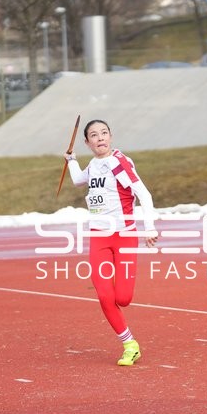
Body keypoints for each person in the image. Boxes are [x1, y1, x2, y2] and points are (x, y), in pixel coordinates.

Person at [64, 119, 158, 366]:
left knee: (123, 298)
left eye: (104, 133)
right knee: (105, 296)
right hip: (98, 238)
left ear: (111, 136)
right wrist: (71, 160)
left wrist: (149, 227)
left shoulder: (118, 163)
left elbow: (144, 194)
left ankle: (127, 335)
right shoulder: (94, 166)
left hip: (124, 235)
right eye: (94, 135)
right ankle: (130, 344)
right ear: (87, 142)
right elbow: (77, 180)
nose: (100, 138)